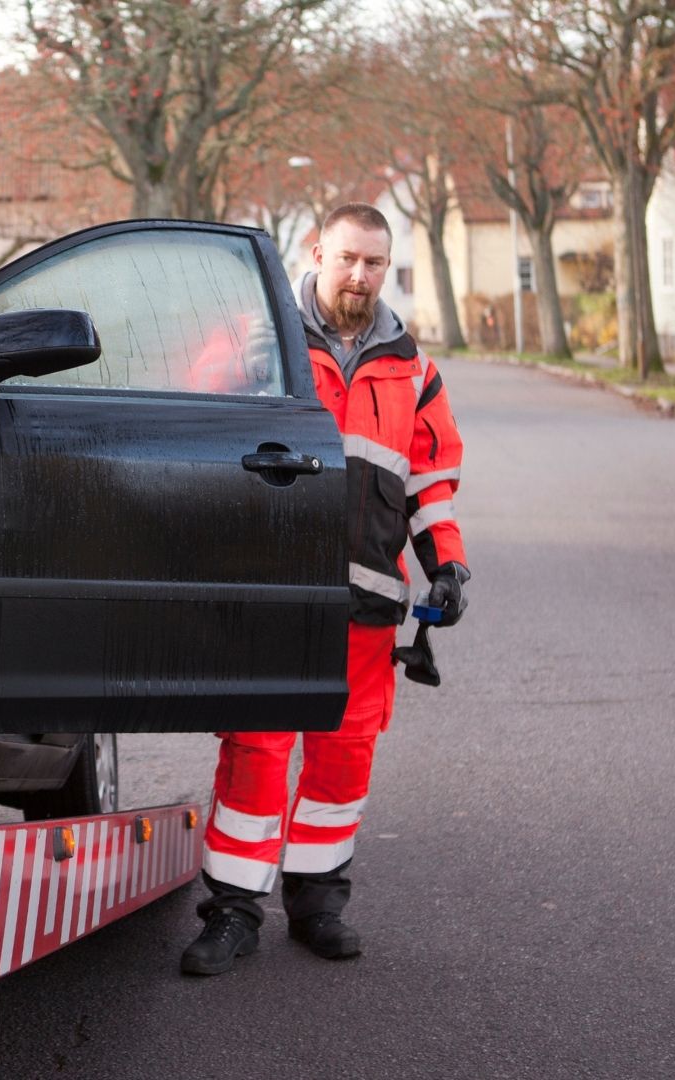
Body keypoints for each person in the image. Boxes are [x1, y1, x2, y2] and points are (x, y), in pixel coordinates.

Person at [181, 203, 471, 976]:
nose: (360, 275)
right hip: (272, 596)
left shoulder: (414, 367)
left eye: (375, 263)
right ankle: (233, 912)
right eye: (347, 258)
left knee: (343, 759)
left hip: (368, 605)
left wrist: (447, 564)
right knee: (258, 750)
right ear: (316, 253)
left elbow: (431, 482)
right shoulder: (255, 338)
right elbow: (192, 439)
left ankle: (317, 903)